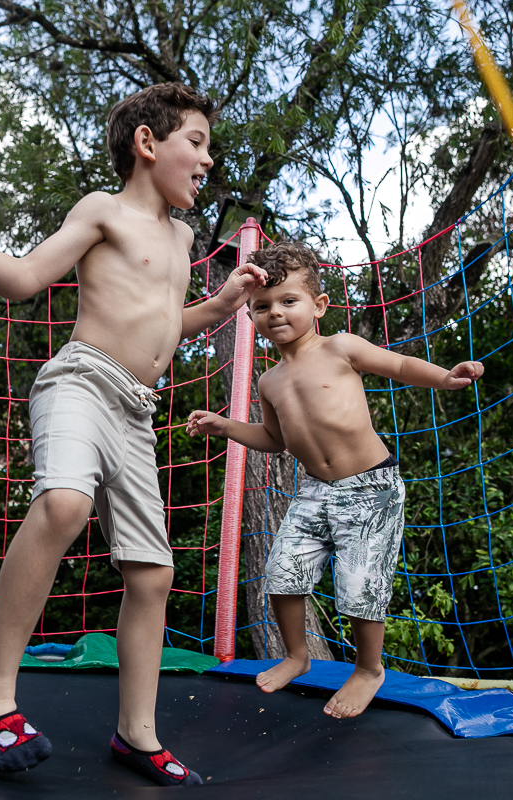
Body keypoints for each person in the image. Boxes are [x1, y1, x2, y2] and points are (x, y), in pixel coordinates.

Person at [0, 83, 266, 786]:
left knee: (153, 573)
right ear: (147, 144)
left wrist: (216, 306)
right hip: (81, 381)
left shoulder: (185, 236)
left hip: (136, 409)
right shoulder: (105, 210)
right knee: (64, 504)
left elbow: (163, 322)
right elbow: (25, 279)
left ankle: (137, 732)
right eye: (197, 142)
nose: (208, 160)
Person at [186, 241, 482, 719]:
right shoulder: (270, 382)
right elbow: (274, 439)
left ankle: (369, 669)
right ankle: (297, 655)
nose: (275, 313)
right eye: (262, 307)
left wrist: (446, 377)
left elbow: (401, 365)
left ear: (319, 306)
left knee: (360, 588)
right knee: (282, 574)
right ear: (250, 316)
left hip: (370, 489)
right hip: (312, 491)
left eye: (288, 301)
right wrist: (224, 426)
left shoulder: (339, 347)